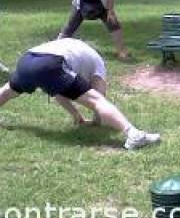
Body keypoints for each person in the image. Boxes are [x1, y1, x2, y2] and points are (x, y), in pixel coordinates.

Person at [0, 38, 160, 150]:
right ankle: (133, 134)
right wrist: (97, 120)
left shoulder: (76, 52)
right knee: (97, 101)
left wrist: (76, 115)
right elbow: (99, 98)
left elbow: (56, 89)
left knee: (7, 92)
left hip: (27, 60)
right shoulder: (98, 63)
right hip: (50, 63)